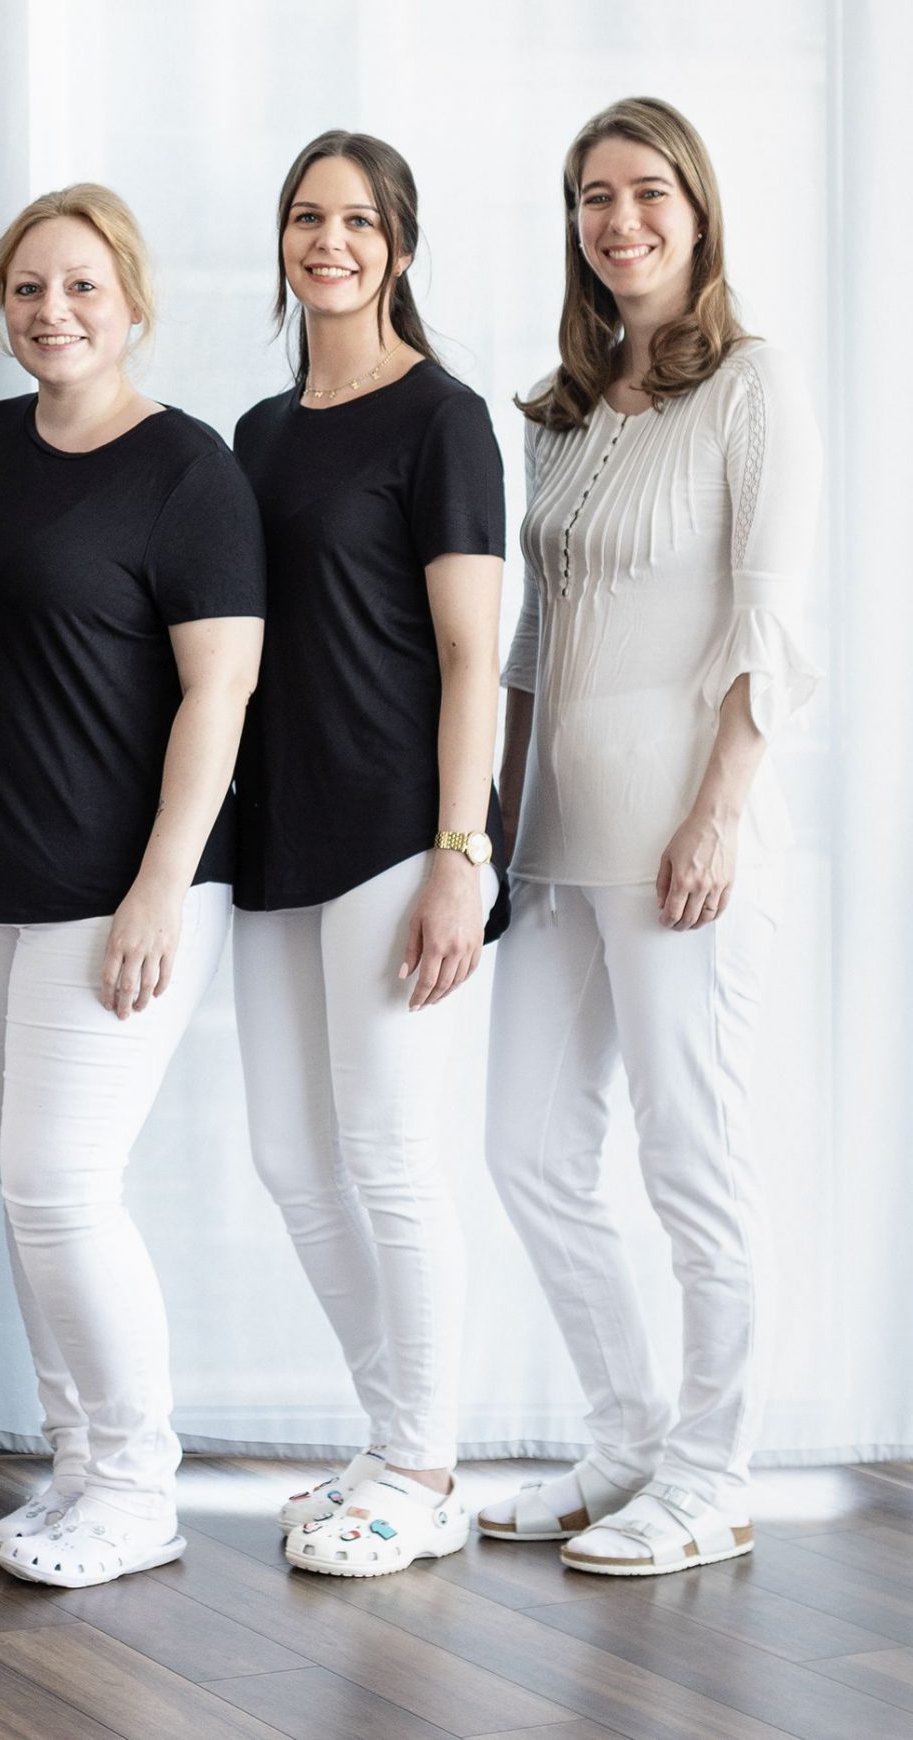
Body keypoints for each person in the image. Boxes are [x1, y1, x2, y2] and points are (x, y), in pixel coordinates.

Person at [479, 97, 819, 1578]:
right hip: (553, 845)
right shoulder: (559, 411)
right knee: (527, 1152)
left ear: (697, 209)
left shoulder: (751, 384)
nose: (619, 221)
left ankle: (716, 1473)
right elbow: (533, 638)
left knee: (695, 1164)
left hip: (686, 840)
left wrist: (719, 814)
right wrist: (489, 817)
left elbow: (768, 622)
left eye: (647, 193)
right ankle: (626, 1441)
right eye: (594, 198)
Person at [0, 186, 264, 1589]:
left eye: (81, 287)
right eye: (28, 288)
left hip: (118, 891)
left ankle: (137, 1484)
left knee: (62, 1185)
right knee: (28, 1192)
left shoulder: (189, 471)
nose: (52, 311)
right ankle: (74, 1469)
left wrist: (161, 886)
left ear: (133, 304)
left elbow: (219, 691)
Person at [231, 131, 507, 1578]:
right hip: (277, 828)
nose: (326, 242)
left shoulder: (444, 420)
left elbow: (472, 656)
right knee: (293, 1157)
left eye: (354, 220)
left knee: (393, 1160)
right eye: (304, 217)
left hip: (401, 831)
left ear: (398, 243)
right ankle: (398, 1434)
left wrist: (462, 851)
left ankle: (425, 1467)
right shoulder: (260, 433)